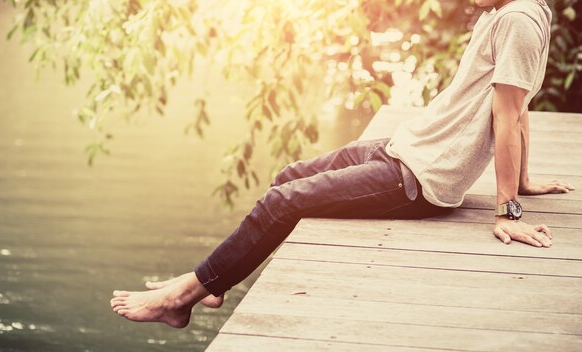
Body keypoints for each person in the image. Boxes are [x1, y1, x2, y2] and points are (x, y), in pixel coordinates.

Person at [110, 0, 573, 328]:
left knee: (281, 202)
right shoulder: (506, 12)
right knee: (289, 176)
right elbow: (523, 100)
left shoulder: (517, 20)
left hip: (418, 178)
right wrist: (525, 178)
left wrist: (507, 209)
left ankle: (181, 298)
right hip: (405, 146)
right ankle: (214, 282)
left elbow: (509, 112)